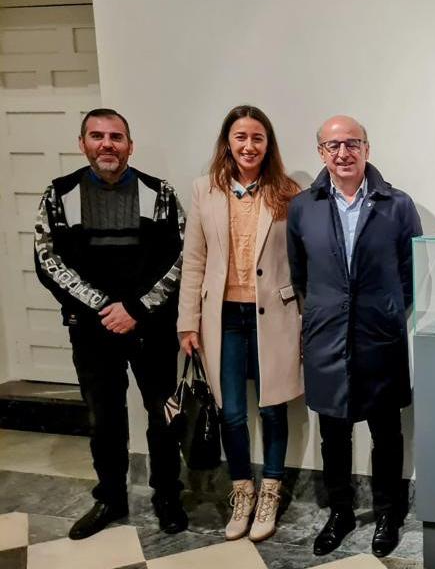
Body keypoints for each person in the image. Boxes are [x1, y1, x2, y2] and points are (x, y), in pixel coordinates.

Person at [34, 108, 187, 539]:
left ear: (129, 146)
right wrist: (103, 306)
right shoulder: (58, 195)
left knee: (164, 416)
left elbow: (182, 258)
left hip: (152, 328)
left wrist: (135, 308)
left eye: (116, 137)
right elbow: (48, 259)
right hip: (91, 329)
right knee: (104, 419)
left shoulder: (160, 193)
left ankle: (167, 495)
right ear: (82, 143)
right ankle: (111, 498)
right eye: (97, 135)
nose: (107, 144)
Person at [287, 115, 422, 557]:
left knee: (387, 432)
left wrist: (387, 311)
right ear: (321, 152)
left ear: (367, 148)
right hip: (326, 337)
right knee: (334, 434)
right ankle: (340, 513)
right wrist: (323, 314)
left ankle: (388, 513)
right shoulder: (303, 207)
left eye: (352, 143)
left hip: (379, 336)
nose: (343, 153)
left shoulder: (397, 205)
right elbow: (300, 273)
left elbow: (413, 271)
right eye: (333, 146)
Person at [178, 105, 303, 541]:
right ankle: (242, 491)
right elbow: (194, 259)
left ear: (268, 144)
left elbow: (299, 261)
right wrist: (187, 322)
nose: (249, 146)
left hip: (276, 314)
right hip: (223, 317)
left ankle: (271, 491)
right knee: (230, 411)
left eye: (257, 138)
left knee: (272, 406)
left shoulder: (288, 192)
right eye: (241, 137)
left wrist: (306, 321)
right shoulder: (205, 190)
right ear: (228, 142)